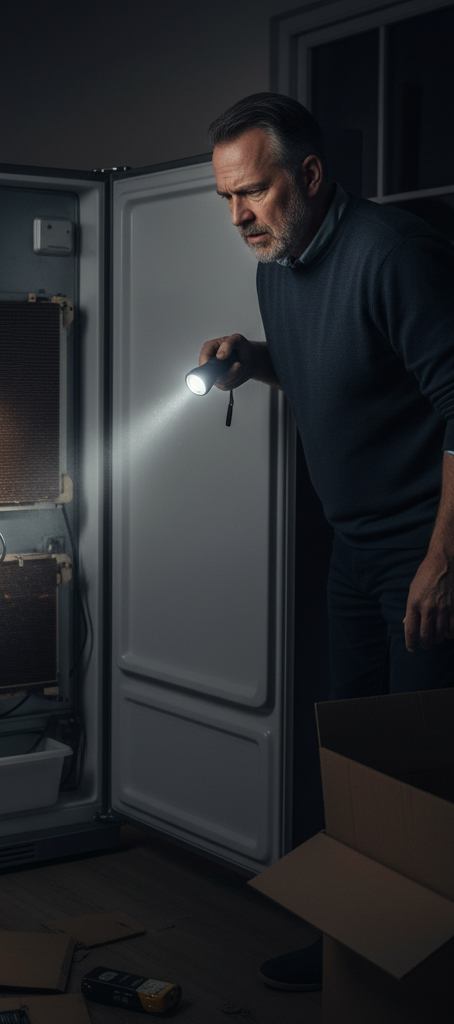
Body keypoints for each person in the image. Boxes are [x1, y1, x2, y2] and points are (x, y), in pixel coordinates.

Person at [201, 92, 454, 991]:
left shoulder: (393, 254)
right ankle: (353, 945)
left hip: (426, 556)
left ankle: (419, 977)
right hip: (353, 553)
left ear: (308, 174)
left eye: (253, 192)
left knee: (418, 774)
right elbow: (342, 365)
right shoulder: (279, 264)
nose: (239, 215)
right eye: (227, 198)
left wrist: (443, 559)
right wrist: (257, 360)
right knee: (352, 761)